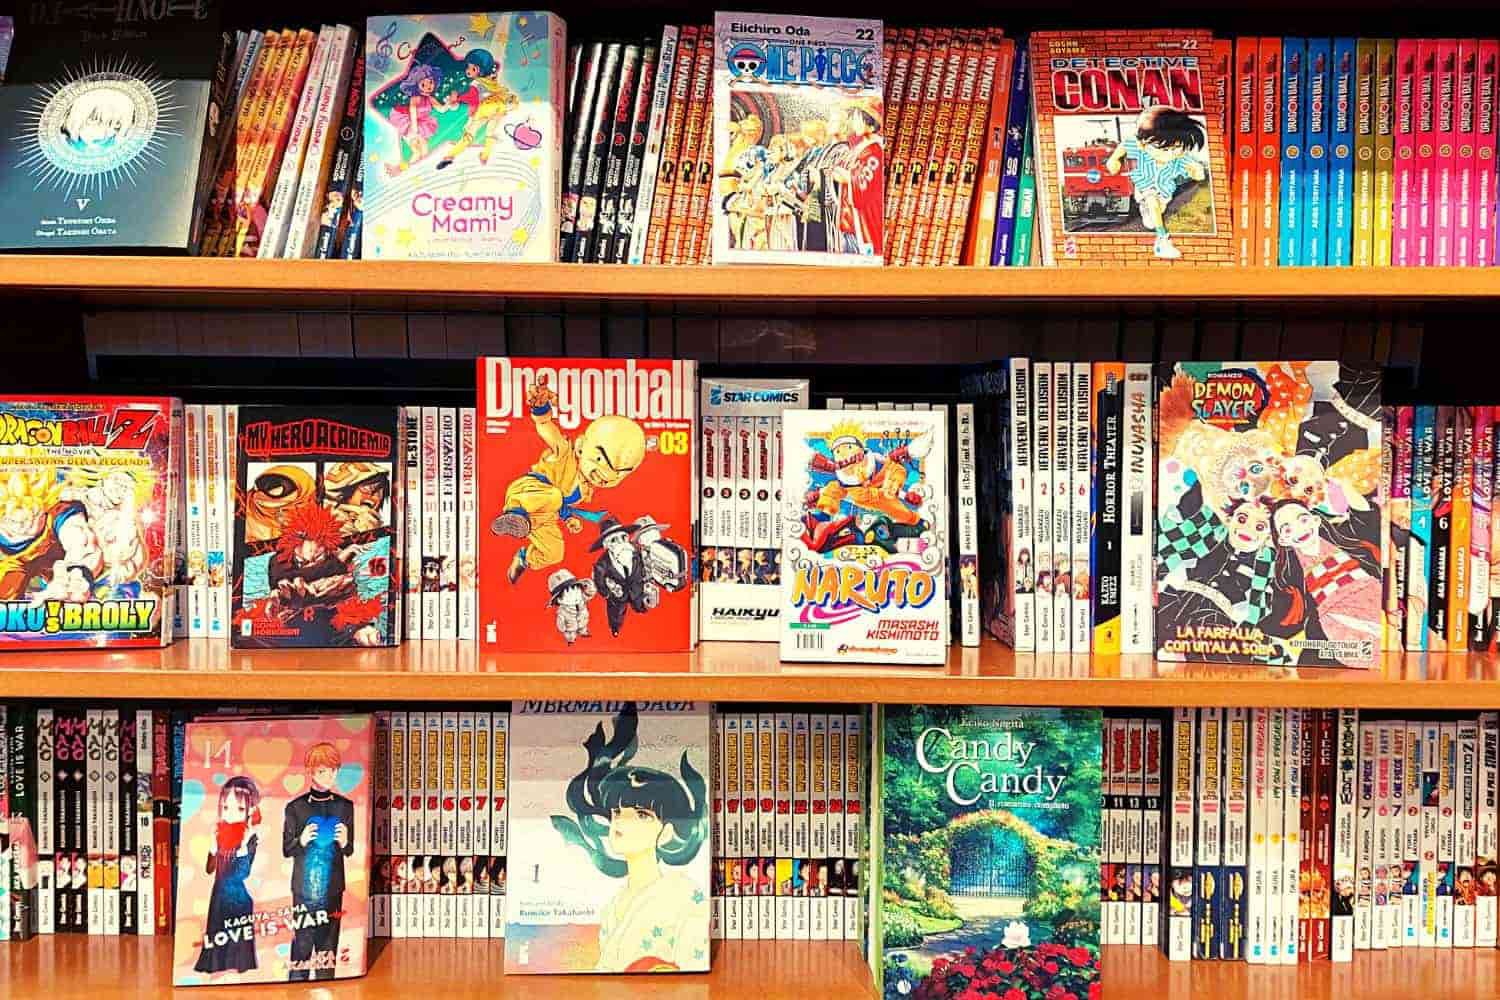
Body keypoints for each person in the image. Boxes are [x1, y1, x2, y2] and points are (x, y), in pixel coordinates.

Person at [550, 704, 708, 972]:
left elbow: (692, 964)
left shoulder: (685, 895)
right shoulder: (614, 906)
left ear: (667, 832)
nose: (622, 821)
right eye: (617, 812)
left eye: (642, 815)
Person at [282, 743, 356, 981]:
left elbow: (349, 850)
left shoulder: (345, 806)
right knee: (302, 944)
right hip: (304, 890)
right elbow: (287, 849)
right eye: (323, 770)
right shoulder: (295, 807)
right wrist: (302, 840)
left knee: (328, 945)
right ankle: (296, 987)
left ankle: (326, 985)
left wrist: (345, 841)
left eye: (334, 770)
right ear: (311, 771)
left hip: (333, 888)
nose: (330, 776)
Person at [1105, 106, 1208, 259]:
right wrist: (1113, 161)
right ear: (1143, 143)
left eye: (1178, 148)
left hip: (1165, 193)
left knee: (1151, 220)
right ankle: (1163, 240)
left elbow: (1198, 173)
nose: (1171, 153)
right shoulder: (1139, 147)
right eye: (1164, 148)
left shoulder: (1180, 159)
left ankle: (1149, 216)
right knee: (1152, 200)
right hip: (1144, 187)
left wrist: (1197, 172)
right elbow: (1125, 146)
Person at [194, 777, 261, 975]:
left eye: (239, 809)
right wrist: (213, 848)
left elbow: (243, 872)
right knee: (216, 936)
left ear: (250, 811)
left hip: (238, 897)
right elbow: (209, 869)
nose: (230, 813)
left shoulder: (251, 838)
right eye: (225, 807)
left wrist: (243, 845)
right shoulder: (218, 834)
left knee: (237, 944)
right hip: (219, 894)